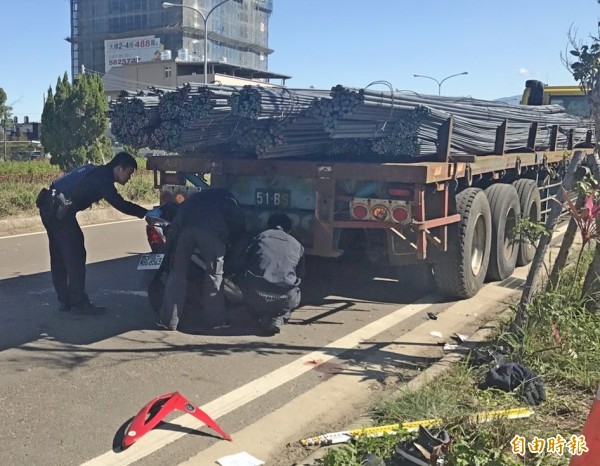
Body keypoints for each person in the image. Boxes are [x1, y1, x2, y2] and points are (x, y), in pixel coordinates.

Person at [36, 152, 151, 315]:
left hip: (48, 206)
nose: (129, 177)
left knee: (59, 255)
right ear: (119, 168)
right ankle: (79, 303)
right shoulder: (103, 178)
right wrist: (147, 213)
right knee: (75, 254)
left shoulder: (96, 172)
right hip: (59, 211)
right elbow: (120, 204)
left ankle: (65, 300)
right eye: (129, 173)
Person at [158, 188, 244, 332]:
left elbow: (175, 227)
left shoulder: (190, 201)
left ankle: (169, 320)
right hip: (211, 233)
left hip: (186, 232)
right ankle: (215, 321)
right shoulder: (227, 197)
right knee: (214, 276)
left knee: (177, 273)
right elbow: (236, 223)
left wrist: (167, 253)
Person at [236, 213, 305, 334]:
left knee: (245, 282)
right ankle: (279, 318)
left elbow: (242, 262)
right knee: (294, 293)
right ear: (289, 230)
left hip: (256, 293)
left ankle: (257, 314)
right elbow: (300, 275)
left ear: (268, 226)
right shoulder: (297, 245)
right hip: (284, 296)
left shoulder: (260, 237)